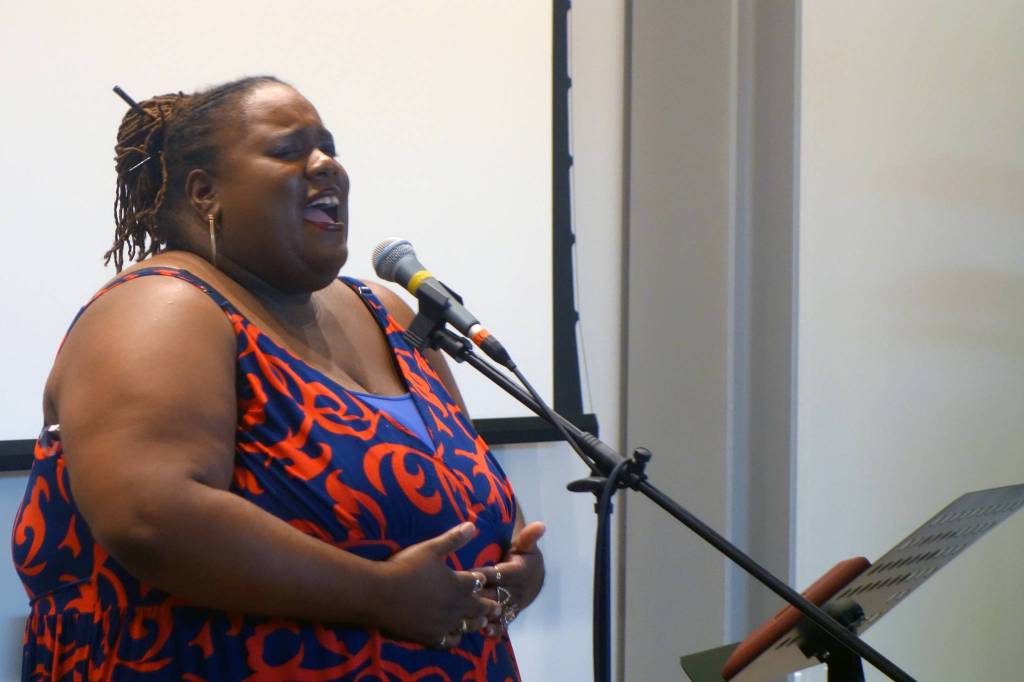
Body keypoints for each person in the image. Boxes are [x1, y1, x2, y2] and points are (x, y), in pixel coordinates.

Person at [11, 75, 545, 681]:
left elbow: (459, 481)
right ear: (205, 192)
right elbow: (152, 517)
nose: (328, 166)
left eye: (329, 147)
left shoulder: (384, 313)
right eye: (290, 150)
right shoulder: (163, 308)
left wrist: (512, 565)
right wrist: (379, 593)